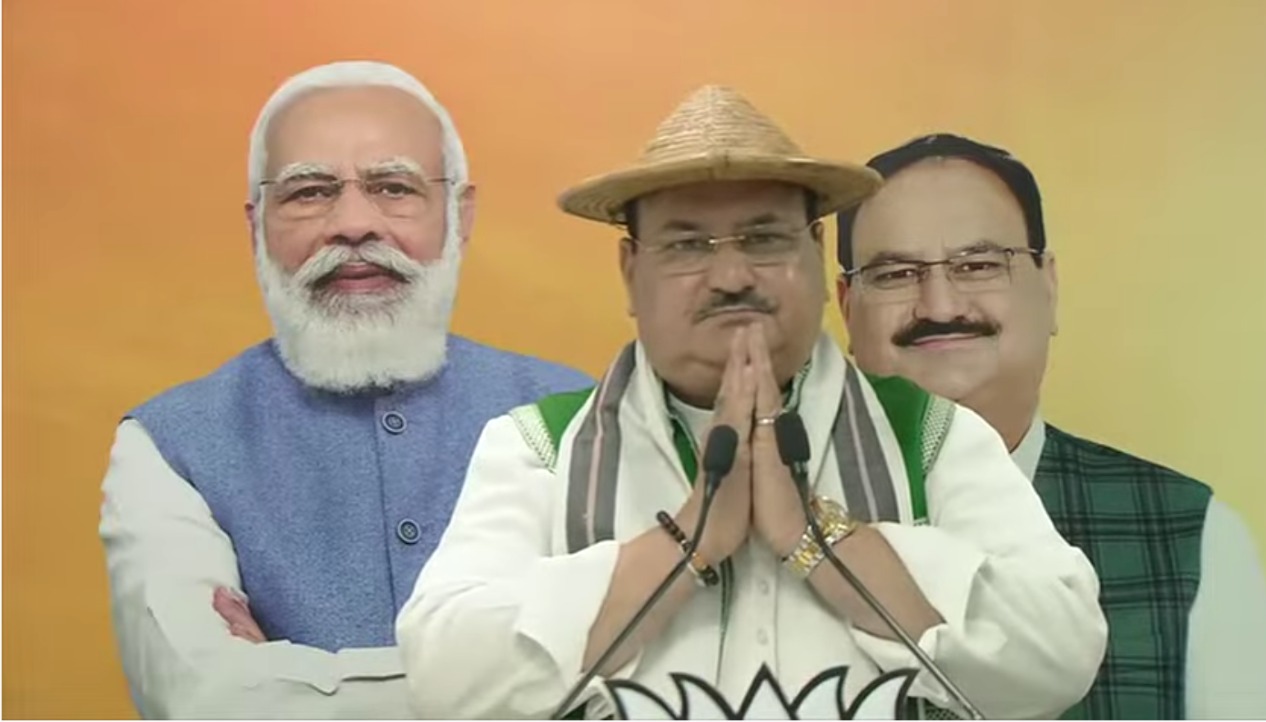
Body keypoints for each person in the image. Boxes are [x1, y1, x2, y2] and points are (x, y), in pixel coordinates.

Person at [395, 86, 1107, 720]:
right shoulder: (536, 448)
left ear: (816, 253)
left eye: (764, 239)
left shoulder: (929, 433)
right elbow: (448, 678)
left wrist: (821, 541)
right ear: (629, 272)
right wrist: (691, 540)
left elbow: (1059, 653)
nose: (731, 275)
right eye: (687, 245)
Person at [98, 60, 593, 719]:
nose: (354, 223)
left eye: (393, 187)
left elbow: (648, 671)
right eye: (310, 192)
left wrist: (292, 684)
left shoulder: (581, 418)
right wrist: (531, 671)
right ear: (256, 226)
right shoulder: (165, 448)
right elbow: (210, 700)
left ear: (459, 214)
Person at [835, 132, 1266, 719]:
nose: (940, 304)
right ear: (845, 306)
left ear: (1048, 287)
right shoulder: (781, 522)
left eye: (979, 264)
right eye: (895, 274)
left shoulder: (1193, 536)